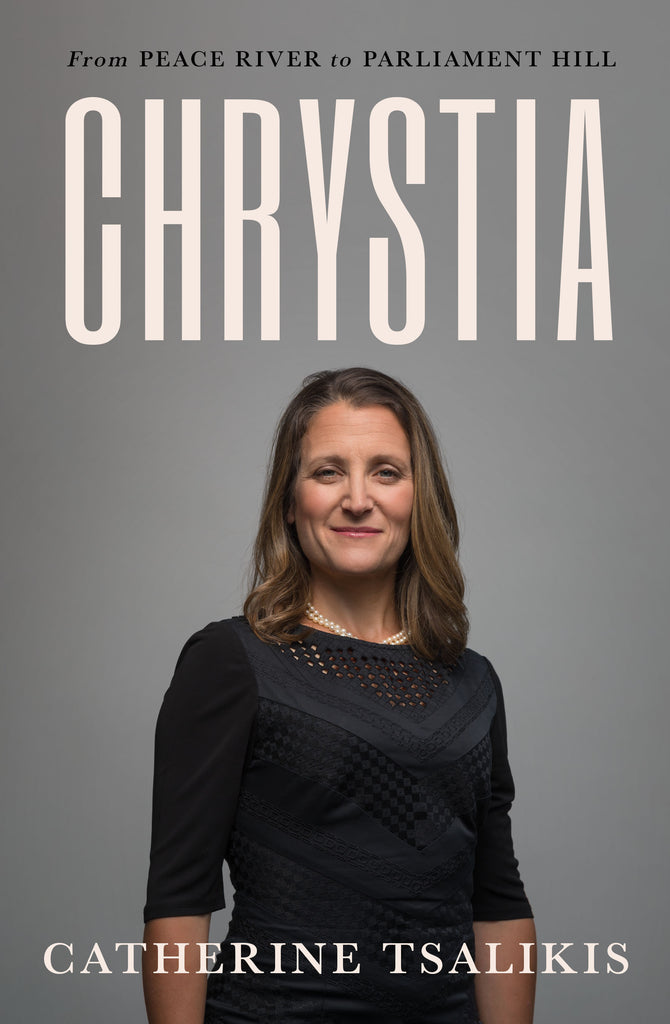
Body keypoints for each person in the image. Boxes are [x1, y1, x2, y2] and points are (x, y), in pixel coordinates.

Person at [142, 367, 536, 1024]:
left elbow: (496, 904)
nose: (358, 498)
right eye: (327, 472)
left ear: (420, 497)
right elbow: (178, 902)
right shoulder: (231, 663)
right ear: (290, 502)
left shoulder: (473, 683)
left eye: (385, 471)